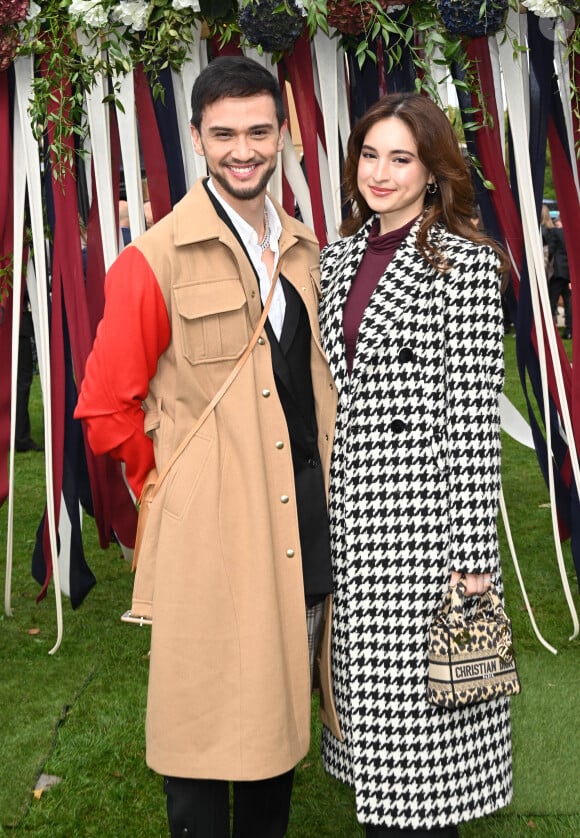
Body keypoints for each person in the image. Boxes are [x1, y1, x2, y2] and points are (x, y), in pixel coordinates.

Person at [75, 56, 340, 837]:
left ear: (284, 136)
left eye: (259, 131)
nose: (243, 149)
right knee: (200, 720)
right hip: (210, 528)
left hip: (302, 514)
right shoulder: (152, 259)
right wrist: (176, 487)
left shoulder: (305, 248)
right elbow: (104, 408)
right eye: (223, 133)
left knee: (279, 707)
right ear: (196, 137)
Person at [317, 92, 513, 836]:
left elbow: (469, 422)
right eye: (370, 155)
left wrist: (472, 562)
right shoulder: (338, 259)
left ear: (433, 171)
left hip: (423, 544)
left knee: (425, 772)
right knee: (379, 751)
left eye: (401, 158)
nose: (381, 172)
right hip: (352, 532)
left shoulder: (465, 268)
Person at [548, 215, 571, 339]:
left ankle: (551, 329)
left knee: (552, 300)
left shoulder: (556, 232)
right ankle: (569, 330)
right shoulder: (572, 232)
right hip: (569, 272)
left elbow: (551, 250)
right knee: (568, 302)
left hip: (558, 271)